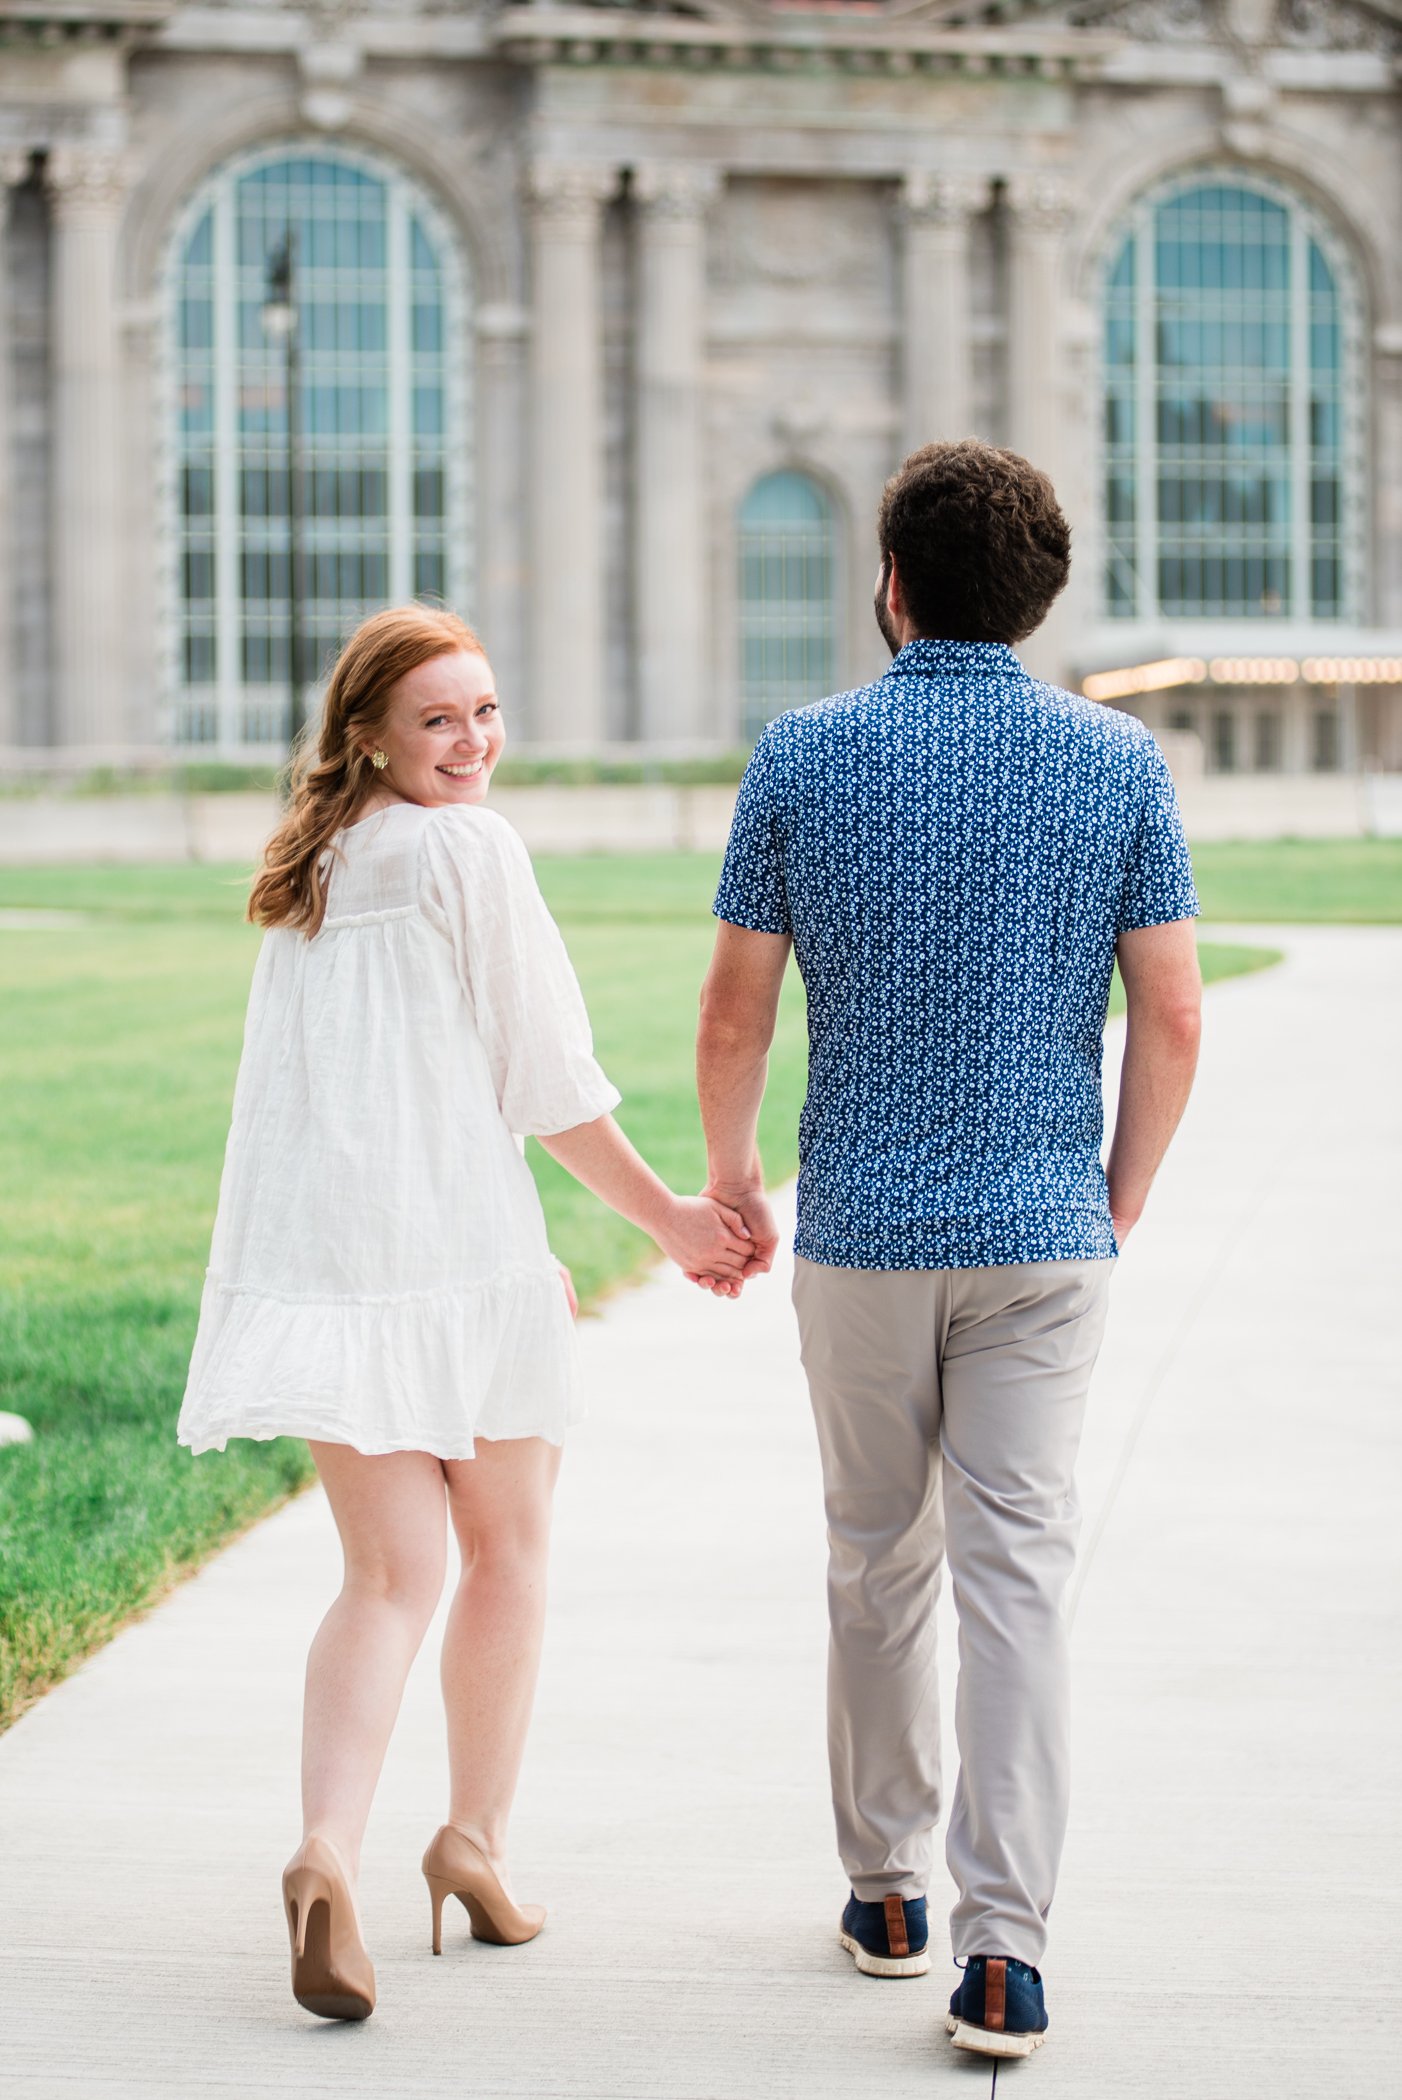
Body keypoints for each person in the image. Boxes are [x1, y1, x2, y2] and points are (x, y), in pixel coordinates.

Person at [696, 440, 1202, 2059]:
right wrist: (1114, 1197)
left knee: (873, 1557)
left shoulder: (802, 750)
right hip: (1041, 1233)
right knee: (1018, 1583)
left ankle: (887, 1888)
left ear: (891, 582)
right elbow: (1170, 1015)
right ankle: (1004, 1952)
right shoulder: (1118, 761)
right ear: (1039, 595)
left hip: (856, 1230)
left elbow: (733, 1009)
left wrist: (728, 1178)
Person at [177, 604, 751, 2022]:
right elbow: (541, 1074)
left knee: (384, 1580)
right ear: (366, 733)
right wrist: (673, 1219)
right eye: (439, 719)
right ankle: (473, 1847)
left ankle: (326, 1849)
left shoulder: (321, 865)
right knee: (506, 1555)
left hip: (339, 1274)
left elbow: (325, 1109)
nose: (473, 741)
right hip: (458, 1275)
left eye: (485, 712)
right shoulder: (466, 849)